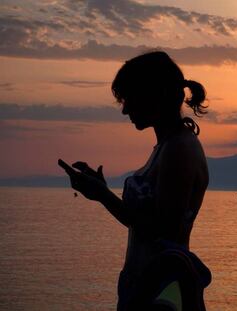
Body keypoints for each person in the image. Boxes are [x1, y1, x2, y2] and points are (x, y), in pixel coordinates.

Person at [58, 51, 211, 310]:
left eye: (129, 98)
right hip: (146, 285)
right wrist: (102, 191)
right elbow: (145, 223)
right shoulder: (167, 146)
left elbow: (164, 230)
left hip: (162, 292)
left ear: (155, 94)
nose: (125, 109)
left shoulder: (178, 150)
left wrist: (103, 196)